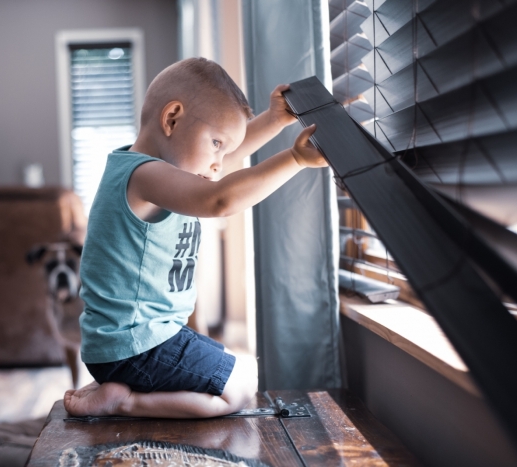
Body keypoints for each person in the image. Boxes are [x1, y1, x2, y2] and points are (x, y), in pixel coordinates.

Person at [64, 57, 327, 419]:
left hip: (135, 343)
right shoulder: (145, 176)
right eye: (216, 143)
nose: (219, 164)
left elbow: (227, 157)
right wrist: (295, 159)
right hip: (136, 346)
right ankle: (125, 401)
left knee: (224, 361)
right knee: (239, 387)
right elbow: (219, 199)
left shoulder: (151, 170)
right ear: (172, 119)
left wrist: (275, 119)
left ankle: (117, 384)